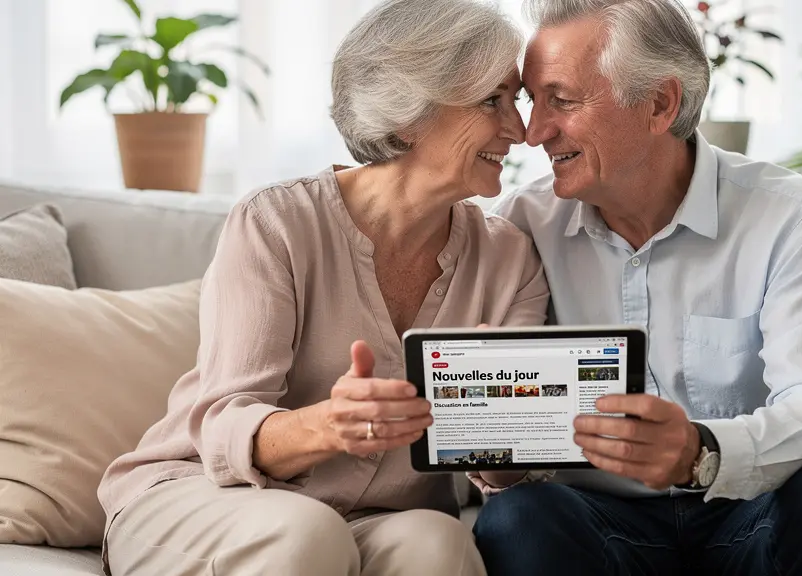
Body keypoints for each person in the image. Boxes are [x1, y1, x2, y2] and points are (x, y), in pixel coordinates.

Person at [96, 1, 547, 575]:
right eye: (493, 100)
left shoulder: (510, 258)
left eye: (519, 100)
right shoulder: (275, 223)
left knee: (441, 544)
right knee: (307, 534)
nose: (522, 130)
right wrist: (328, 424)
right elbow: (226, 422)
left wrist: (499, 417)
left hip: (376, 516)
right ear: (407, 114)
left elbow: (503, 476)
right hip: (206, 493)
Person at [470, 1, 802, 575]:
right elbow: (513, 441)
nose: (533, 133)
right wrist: (499, 447)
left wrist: (699, 451)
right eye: (534, 101)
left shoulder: (789, 216)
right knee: (516, 519)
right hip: (600, 523)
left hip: (749, 510)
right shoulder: (523, 225)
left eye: (563, 99)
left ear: (659, 103)